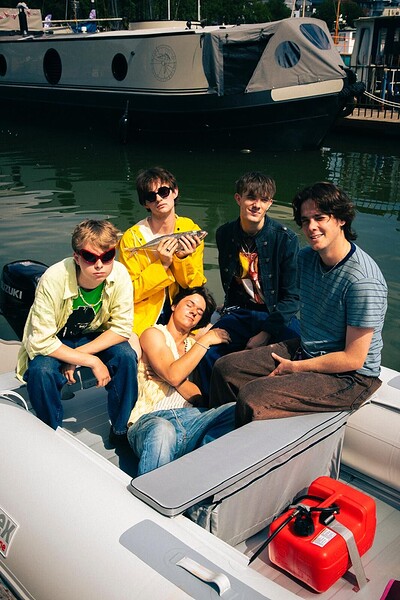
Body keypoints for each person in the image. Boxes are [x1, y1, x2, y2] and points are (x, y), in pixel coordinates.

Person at [209, 182, 388, 427]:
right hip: (309, 349)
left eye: (320, 218)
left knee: (252, 396)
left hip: (349, 378)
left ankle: (242, 452)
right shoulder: (307, 258)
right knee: (225, 368)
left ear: (341, 219)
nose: (311, 227)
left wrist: (296, 368)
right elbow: (279, 293)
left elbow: (353, 359)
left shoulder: (362, 281)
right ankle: (219, 432)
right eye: (305, 221)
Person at [16, 219, 139, 445]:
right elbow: (41, 342)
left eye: (108, 256)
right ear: (77, 257)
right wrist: (91, 362)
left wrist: (81, 357)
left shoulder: (119, 274)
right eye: (90, 257)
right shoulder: (53, 278)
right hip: (55, 339)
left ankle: (121, 428)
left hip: (91, 335)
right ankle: (49, 429)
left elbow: (121, 329)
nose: (99, 264)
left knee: (126, 357)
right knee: (41, 371)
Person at [196, 171, 300, 399]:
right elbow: (231, 282)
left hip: (276, 314)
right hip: (241, 311)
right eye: (251, 198)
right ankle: (210, 408)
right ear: (238, 199)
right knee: (205, 355)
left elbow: (292, 297)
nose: (257, 205)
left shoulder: (285, 239)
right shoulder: (224, 234)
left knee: (299, 354)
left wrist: (265, 333)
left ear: (270, 203)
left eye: (264, 199)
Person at [126, 287, 236, 476]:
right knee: (163, 430)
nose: (194, 311)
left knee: (235, 410)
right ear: (174, 305)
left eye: (199, 312)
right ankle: (153, 496)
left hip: (189, 419)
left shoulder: (193, 347)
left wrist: (173, 379)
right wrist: (206, 341)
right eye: (189, 305)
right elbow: (174, 374)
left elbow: (199, 396)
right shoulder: (154, 334)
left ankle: (199, 474)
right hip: (151, 419)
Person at [118, 167, 206, 336]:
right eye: (151, 197)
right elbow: (130, 293)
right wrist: (162, 265)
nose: (158, 198)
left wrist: (182, 258)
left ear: (175, 192)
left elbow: (194, 285)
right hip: (145, 317)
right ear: (145, 204)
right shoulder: (132, 239)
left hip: (180, 313)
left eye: (163, 192)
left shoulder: (191, 230)